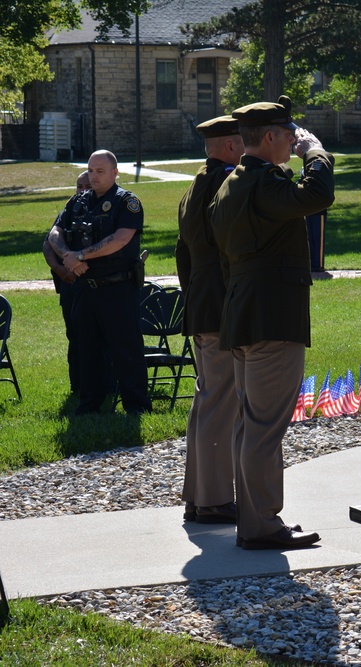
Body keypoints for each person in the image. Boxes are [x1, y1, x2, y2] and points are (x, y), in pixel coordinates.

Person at [209, 95, 335, 550]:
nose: (293, 140)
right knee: (263, 428)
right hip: (272, 319)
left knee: (250, 424)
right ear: (269, 138)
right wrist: (315, 152)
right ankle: (261, 525)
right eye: (288, 134)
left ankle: (256, 518)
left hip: (244, 313)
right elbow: (317, 195)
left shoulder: (232, 184)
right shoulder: (264, 183)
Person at [175, 115, 245, 525]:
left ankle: (199, 494)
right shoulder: (225, 183)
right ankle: (215, 499)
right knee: (221, 402)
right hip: (221, 299)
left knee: (207, 401)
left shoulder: (193, 185)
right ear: (233, 146)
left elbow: (182, 252)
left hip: (201, 297)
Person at [47, 150, 152, 416]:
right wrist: (67, 257)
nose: (93, 176)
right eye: (91, 170)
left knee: (126, 350)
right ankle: (90, 405)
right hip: (85, 289)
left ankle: (136, 406)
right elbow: (55, 232)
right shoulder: (79, 201)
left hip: (117, 288)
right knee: (87, 349)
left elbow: (120, 239)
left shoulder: (127, 202)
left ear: (115, 172)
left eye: (100, 171)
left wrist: (80, 255)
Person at [42, 171, 90, 393]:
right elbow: (47, 245)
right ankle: (78, 385)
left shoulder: (108, 209)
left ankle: (107, 385)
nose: (82, 191)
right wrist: (61, 271)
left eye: (87, 186)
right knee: (75, 335)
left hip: (96, 287)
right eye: (79, 186)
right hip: (70, 285)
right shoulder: (69, 210)